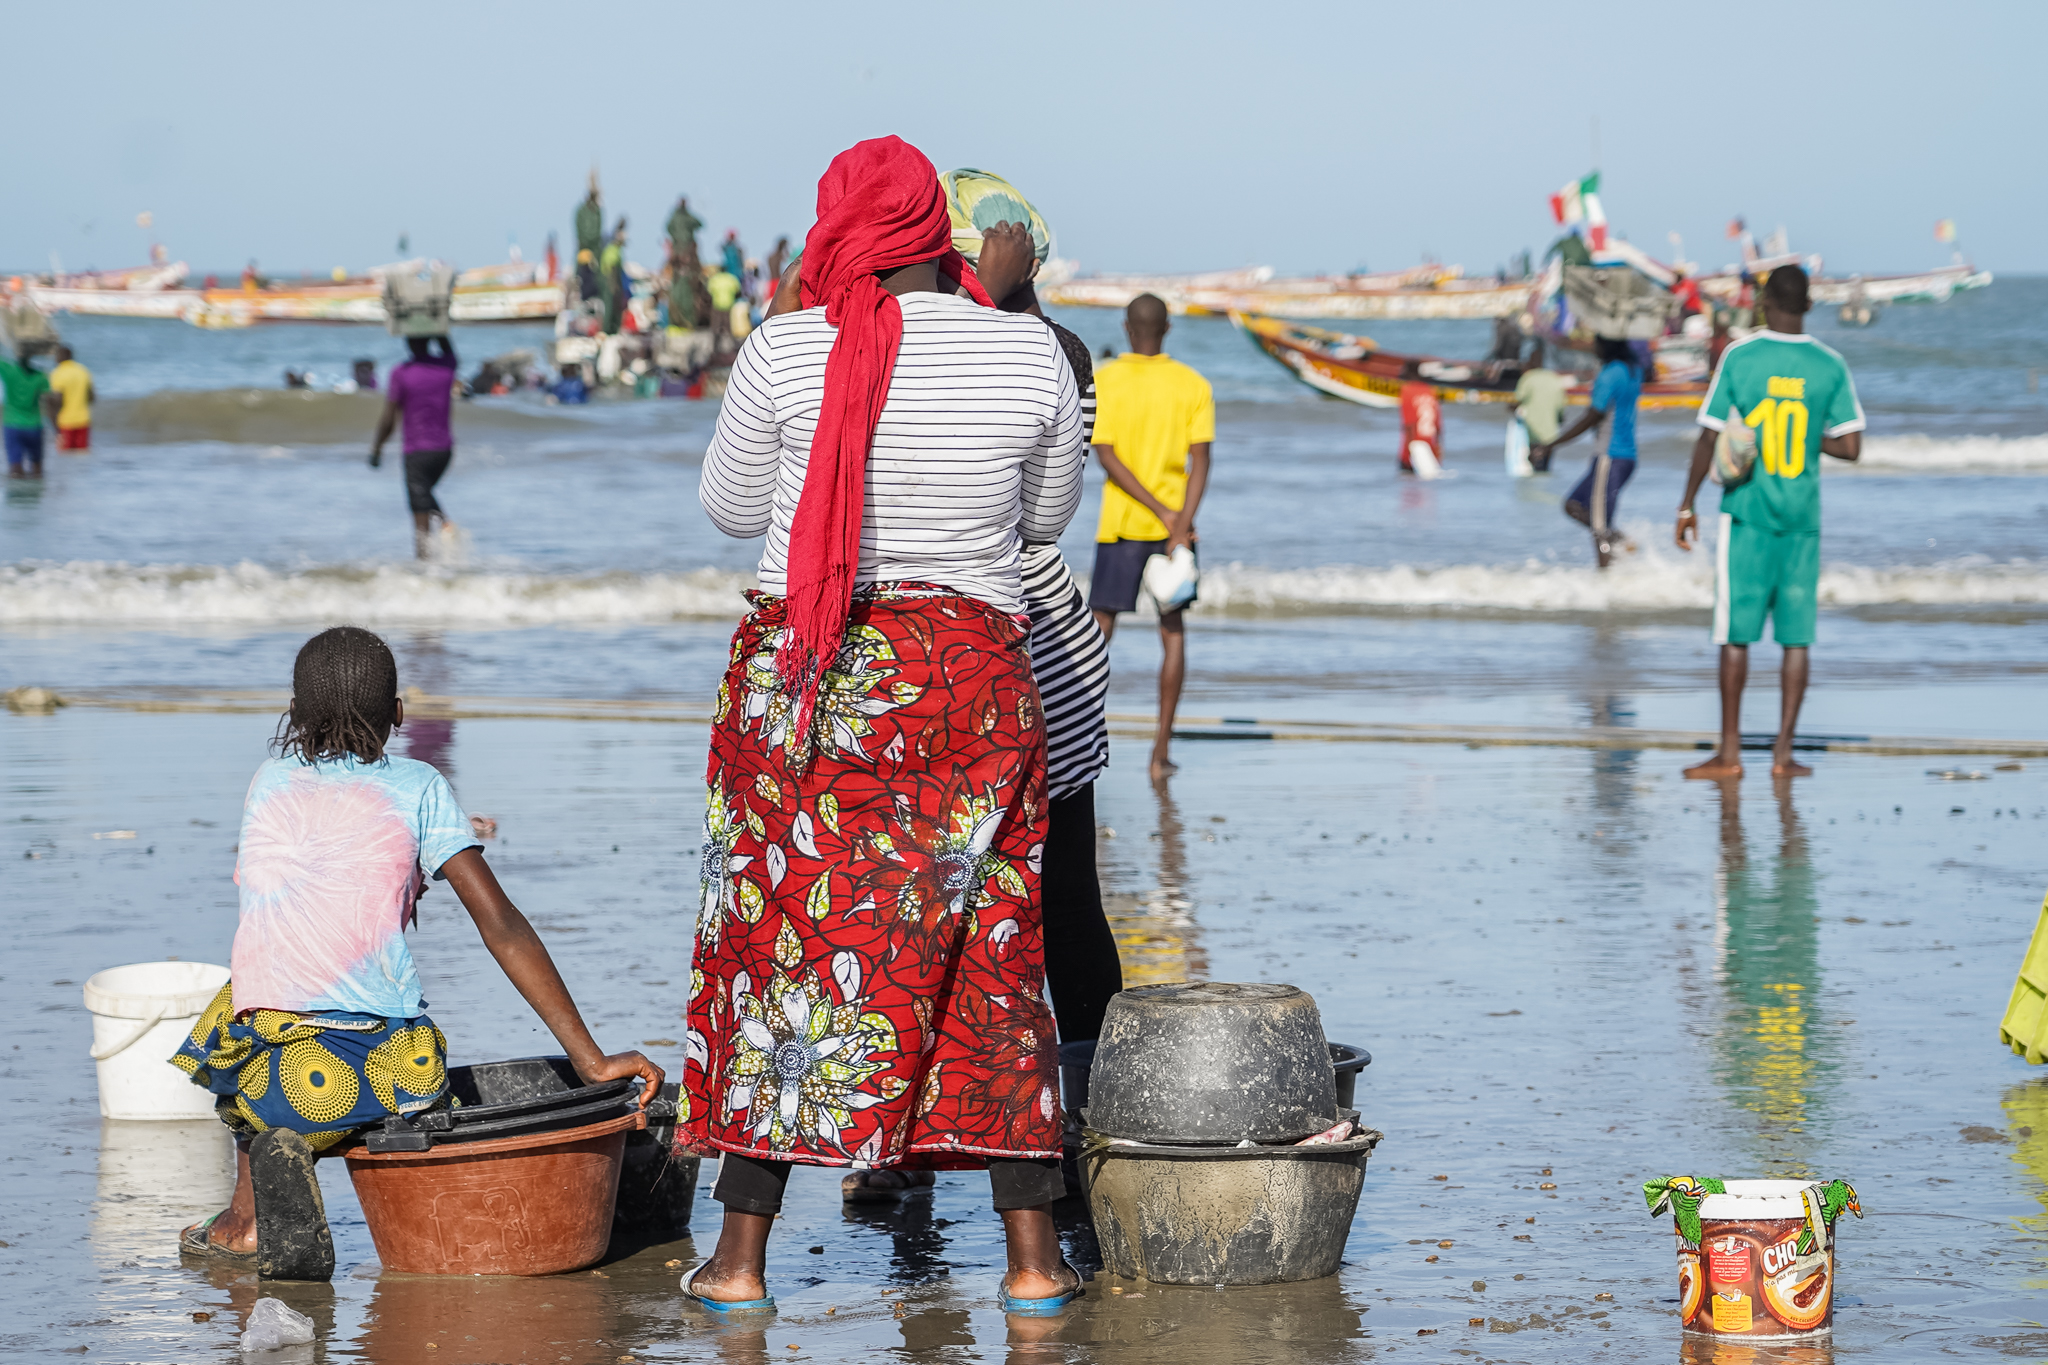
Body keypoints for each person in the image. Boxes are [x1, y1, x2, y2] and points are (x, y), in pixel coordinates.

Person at [689, 134, 1084, 1316]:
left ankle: (741, 1265)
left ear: (835, 228)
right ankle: (1030, 1265)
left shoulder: (786, 345)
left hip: (808, 675)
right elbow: (1047, 516)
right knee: (994, 952)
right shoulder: (1029, 351)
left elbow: (727, 511)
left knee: (779, 950)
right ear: (937, 234)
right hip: (969, 675)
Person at [170, 626, 662, 1280]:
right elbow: (503, 926)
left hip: (282, 1085)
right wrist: (590, 1058)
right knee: (361, 1034)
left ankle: (247, 1215)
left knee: (240, 1011)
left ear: (292, 713)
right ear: (399, 713)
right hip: (400, 1071)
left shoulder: (267, 781)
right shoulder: (421, 786)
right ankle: (363, 1135)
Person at [940, 171, 1121, 1186]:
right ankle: (1082, 1119)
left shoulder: (1043, 353)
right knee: (1060, 897)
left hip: (1012, 641)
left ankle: (1068, 1113)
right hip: (1040, 636)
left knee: (1022, 900)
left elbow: (1026, 513)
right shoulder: (1055, 345)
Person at [1675, 264, 1863, 780]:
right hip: (1802, 521)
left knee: (1735, 636)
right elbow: (1850, 446)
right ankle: (1783, 755)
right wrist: (1807, 441)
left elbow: (1710, 436)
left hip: (1747, 517)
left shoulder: (1741, 355)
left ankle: (1730, 754)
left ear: (1763, 303)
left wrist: (1687, 504)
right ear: (1807, 304)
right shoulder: (1830, 365)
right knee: (1796, 640)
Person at [1088, 293, 1214, 782]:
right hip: (1174, 532)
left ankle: (1082, 744)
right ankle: (1160, 754)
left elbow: (1106, 456)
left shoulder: (1107, 380)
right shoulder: (1192, 384)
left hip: (1120, 527)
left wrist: (1161, 513)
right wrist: (1177, 522)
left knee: (1098, 636)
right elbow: (1201, 463)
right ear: (1168, 329)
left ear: (1125, 328)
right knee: (1174, 632)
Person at [1533, 336, 1643, 567]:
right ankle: (1624, 543)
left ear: (1606, 345)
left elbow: (1593, 415)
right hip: (1625, 457)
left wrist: (1552, 443)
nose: (1593, 347)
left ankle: (1605, 579)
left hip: (1610, 455)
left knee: (1599, 526)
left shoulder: (1609, 374)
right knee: (1573, 506)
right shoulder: (1632, 370)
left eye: (1596, 342)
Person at [369, 336, 461, 558]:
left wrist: (377, 449)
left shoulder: (401, 373)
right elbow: (448, 347)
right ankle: (445, 526)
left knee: (420, 516)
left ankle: (424, 565)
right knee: (425, 494)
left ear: (408, 343)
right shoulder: (446, 366)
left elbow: (389, 417)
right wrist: (438, 330)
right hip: (444, 451)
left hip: (417, 451)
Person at [1512, 343, 1567, 464]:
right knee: (1545, 468)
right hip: (1551, 434)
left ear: (1531, 361)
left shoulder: (1528, 378)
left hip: (1533, 432)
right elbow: (1561, 412)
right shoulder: (1555, 378)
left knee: (1534, 468)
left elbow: (1516, 403)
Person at [1, 349, 50, 478]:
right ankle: (36, 496)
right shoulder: (40, 375)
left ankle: (18, 497)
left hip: (12, 425)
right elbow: (50, 399)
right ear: (31, 355)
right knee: (37, 468)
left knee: (15, 469)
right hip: (34, 426)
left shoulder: (9, 371)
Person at [48, 345, 93, 453]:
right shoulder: (83, 371)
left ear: (61, 356)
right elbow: (92, 397)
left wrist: (56, 429)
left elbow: (57, 401)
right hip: (83, 420)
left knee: (66, 459)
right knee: (82, 456)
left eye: (56, 355)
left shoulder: (58, 373)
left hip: (65, 422)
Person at [1398, 379, 1442, 475]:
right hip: (1429, 445)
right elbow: (1438, 426)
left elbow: (1409, 424)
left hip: (1415, 446)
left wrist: (1406, 454)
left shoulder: (1407, 390)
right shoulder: (1430, 390)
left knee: (1408, 482)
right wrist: (1437, 453)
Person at [600, 222, 628, 334]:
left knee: (615, 307)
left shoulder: (616, 250)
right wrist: (614, 285)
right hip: (611, 281)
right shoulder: (612, 250)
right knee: (610, 306)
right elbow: (611, 268)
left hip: (614, 281)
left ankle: (613, 330)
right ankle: (608, 330)